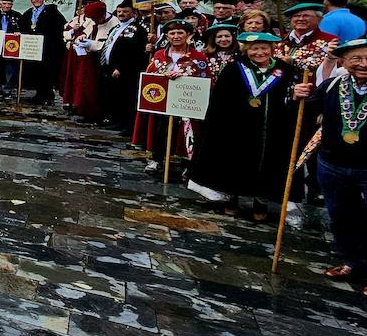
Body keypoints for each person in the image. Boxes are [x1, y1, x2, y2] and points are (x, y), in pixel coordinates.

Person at [187, 31, 300, 219]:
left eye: (264, 48)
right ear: (246, 50)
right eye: (254, 49)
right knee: (236, 161)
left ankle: (260, 202)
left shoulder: (284, 70)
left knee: (265, 165)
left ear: (272, 49)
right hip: (238, 127)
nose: (259, 53)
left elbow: (290, 97)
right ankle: (233, 198)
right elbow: (220, 100)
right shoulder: (234, 69)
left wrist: (295, 95)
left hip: (270, 129)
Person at [296, 38, 367, 287]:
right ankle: (351, 262)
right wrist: (296, 95)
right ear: (343, 61)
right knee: (341, 216)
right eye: (356, 58)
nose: (363, 64)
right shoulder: (332, 84)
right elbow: (303, 110)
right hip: (332, 163)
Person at [132, 19, 209, 175]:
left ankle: (186, 162)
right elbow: (150, 75)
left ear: (188, 35)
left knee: (186, 131)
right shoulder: (160, 54)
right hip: (162, 102)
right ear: (166, 36)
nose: (176, 36)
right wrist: (162, 75)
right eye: (172, 33)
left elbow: (205, 80)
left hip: (186, 103)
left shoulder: (198, 57)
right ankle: (157, 159)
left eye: (180, 33)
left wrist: (183, 76)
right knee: (160, 129)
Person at [98, 0, 147, 131]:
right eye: (119, 11)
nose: (121, 14)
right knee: (113, 96)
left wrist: (121, 68)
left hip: (125, 70)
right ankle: (113, 119)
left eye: (125, 11)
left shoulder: (137, 29)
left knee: (125, 97)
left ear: (133, 13)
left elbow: (133, 52)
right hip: (109, 67)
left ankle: (125, 123)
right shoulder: (116, 28)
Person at [19, 0, 65, 104]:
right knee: (36, 71)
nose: (36, 0)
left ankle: (48, 94)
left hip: (48, 48)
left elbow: (61, 26)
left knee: (47, 71)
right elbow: (23, 28)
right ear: (31, 0)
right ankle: (39, 93)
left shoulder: (52, 11)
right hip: (33, 48)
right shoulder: (28, 13)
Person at [0, 0, 22, 93]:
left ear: (12, 5)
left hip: (11, 47)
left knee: (10, 69)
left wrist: (19, 32)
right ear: (0, 4)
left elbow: (23, 29)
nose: (6, 6)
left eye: (9, 4)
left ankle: (8, 90)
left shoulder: (17, 16)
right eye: (4, 3)